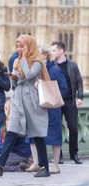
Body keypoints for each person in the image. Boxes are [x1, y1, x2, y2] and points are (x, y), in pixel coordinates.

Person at [0, 34, 51, 177]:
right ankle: (0, 165)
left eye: (22, 46)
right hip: (18, 99)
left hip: (32, 101)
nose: (20, 49)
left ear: (30, 46)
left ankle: (45, 167)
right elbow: (15, 84)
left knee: (37, 134)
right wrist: (14, 78)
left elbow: (29, 75)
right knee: (11, 131)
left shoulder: (37, 62)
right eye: (18, 46)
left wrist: (22, 62)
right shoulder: (17, 61)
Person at [26, 44, 68, 174]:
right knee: (33, 135)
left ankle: (55, 165)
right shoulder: (35, 69)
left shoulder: (54, 70)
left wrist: (44, 87)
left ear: (44, 55)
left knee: (54, 137)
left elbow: (64, 89)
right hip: (37, 107)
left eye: (38, 54)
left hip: (51, 108)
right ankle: (36, 163)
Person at [50, 41, 84, 164]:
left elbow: (79, 82)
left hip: (70, 101)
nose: (52, 53)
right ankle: (59, 156)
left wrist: (80, 97)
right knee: (56, 129)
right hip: (56, 101)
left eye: (54, 50)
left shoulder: (72, 65)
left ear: (61, 51)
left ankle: (74, 154)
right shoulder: (51, 66)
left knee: (73, 127)